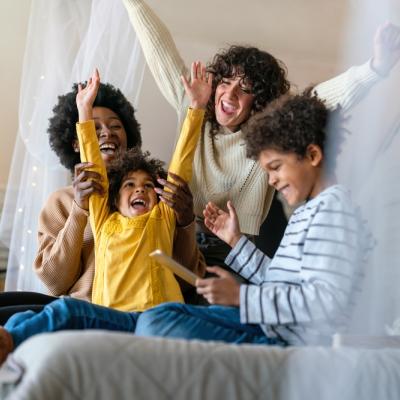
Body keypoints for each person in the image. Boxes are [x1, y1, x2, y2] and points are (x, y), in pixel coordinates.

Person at [122, 0, 400, 266]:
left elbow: (319, 98)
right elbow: (159, 49)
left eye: (245, 89)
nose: (229, 93)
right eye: (226, 82)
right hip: (173, 231)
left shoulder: (264, 134)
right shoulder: (194, 102)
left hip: (230, 246)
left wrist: (374, 69)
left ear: (260, 102)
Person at [0, 61, 212, 363]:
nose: (107, 133)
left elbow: (190, 278)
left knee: (50, 316)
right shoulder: (67, 202)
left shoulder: (159, 201)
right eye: (95, 128)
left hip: (147, 312)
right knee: (14, 313)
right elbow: (54, 281)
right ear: (76, 142)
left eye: (115, 126)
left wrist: (186, 220)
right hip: (90, 310)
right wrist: (79, 209)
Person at [132, 92, 371, 346]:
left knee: (158, 321)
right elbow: (277, 284)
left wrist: (242, 297)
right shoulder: (308, 211)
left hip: (285, 342)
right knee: (160, 314)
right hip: (269, 328)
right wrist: (236, 240)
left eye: (276, 167)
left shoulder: (334, 210)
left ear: (312, 156)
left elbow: (326, 303)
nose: (271, 180)